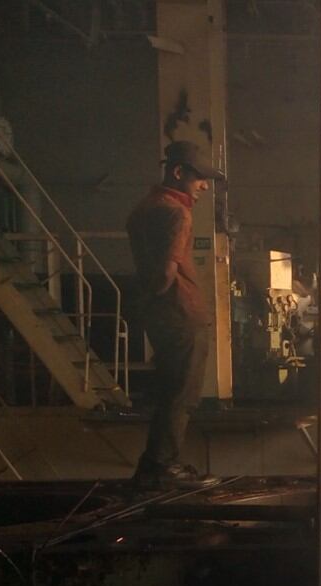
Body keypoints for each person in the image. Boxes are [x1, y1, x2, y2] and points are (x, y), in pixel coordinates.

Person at [127, 140, 224, 490]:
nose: (204, 185)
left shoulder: (141, 209)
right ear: (178, 172)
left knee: (169, 390)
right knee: (183, 394)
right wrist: (162, 296)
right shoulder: (176, 212)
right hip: (182, 314)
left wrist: (145, 305)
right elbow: (167, 272)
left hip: (159, 316)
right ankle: (162, 467)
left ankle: (153, 466)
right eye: (199, 177)